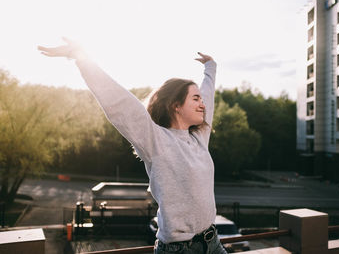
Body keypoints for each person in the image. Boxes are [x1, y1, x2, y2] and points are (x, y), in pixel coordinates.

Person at [38, 38, 227, 254]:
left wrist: (211, 68)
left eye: (200, 99)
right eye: (195, 99)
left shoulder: (199, 138)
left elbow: (208, 98)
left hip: (213, 243)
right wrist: (80, 58)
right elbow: (118, 102)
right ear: (176, 105)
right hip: (179, 249)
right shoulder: (156, 141)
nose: (202, 104)